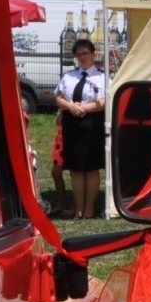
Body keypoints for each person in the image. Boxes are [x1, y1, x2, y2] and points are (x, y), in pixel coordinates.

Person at [54, 38, 106, 219]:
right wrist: (69, 106)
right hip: (72, 125)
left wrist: (85, 108)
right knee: (75, 168)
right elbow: (58, 97)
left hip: (92, 124)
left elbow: (104, 101)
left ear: (93, 55)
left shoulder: (102, 77)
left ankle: (89, 209)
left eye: (85, 53)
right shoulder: (69, 76)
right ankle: (79, 210)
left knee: (91, 168)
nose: (82, 57)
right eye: (79, 54)